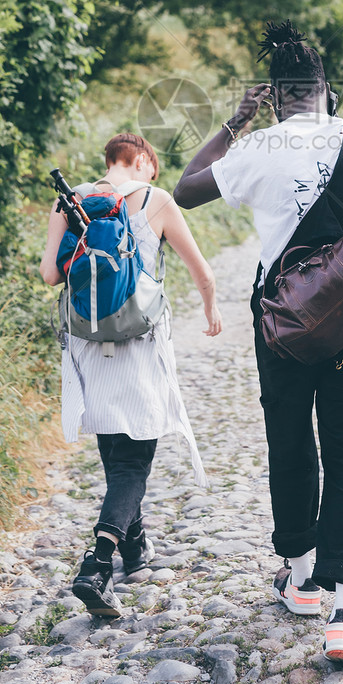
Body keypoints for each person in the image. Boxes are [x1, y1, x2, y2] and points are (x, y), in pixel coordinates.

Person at [174, 21, 343, 666]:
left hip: (281, 318)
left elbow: (185, 190)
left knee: (290, 436)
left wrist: (234, 121)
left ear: (276, 96)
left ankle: (301, 576)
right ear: (328, 91)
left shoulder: (256, 145)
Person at [40, 132, 222, 616]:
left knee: (115, 452)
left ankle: (135, 547)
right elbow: (201, 271)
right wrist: (210, 309)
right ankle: (98, 565)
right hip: (140, 342)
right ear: (141, 160)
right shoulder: (155, 199)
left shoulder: (71, 199)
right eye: (152, 167)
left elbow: (48, 275)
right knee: (134, 463)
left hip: (86, 341)